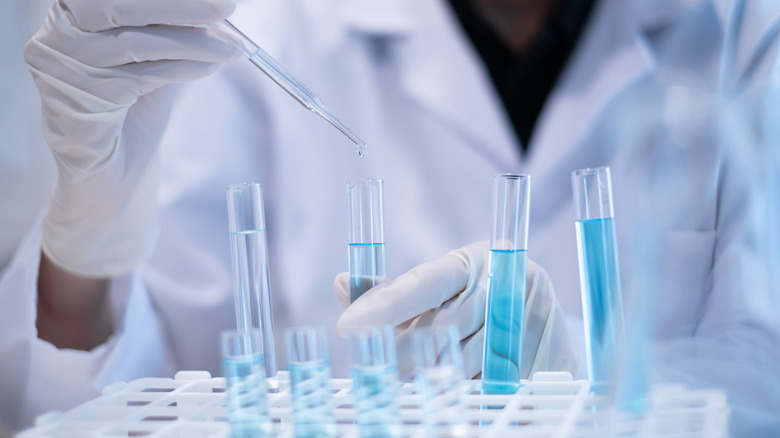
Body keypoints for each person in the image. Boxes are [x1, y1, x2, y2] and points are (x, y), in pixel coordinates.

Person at [3, 0, 778, 434]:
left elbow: (765, 383)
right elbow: (132, 397)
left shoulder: (746, 30)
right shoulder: (270, 29)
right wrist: (89, 235)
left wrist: (594, 377)